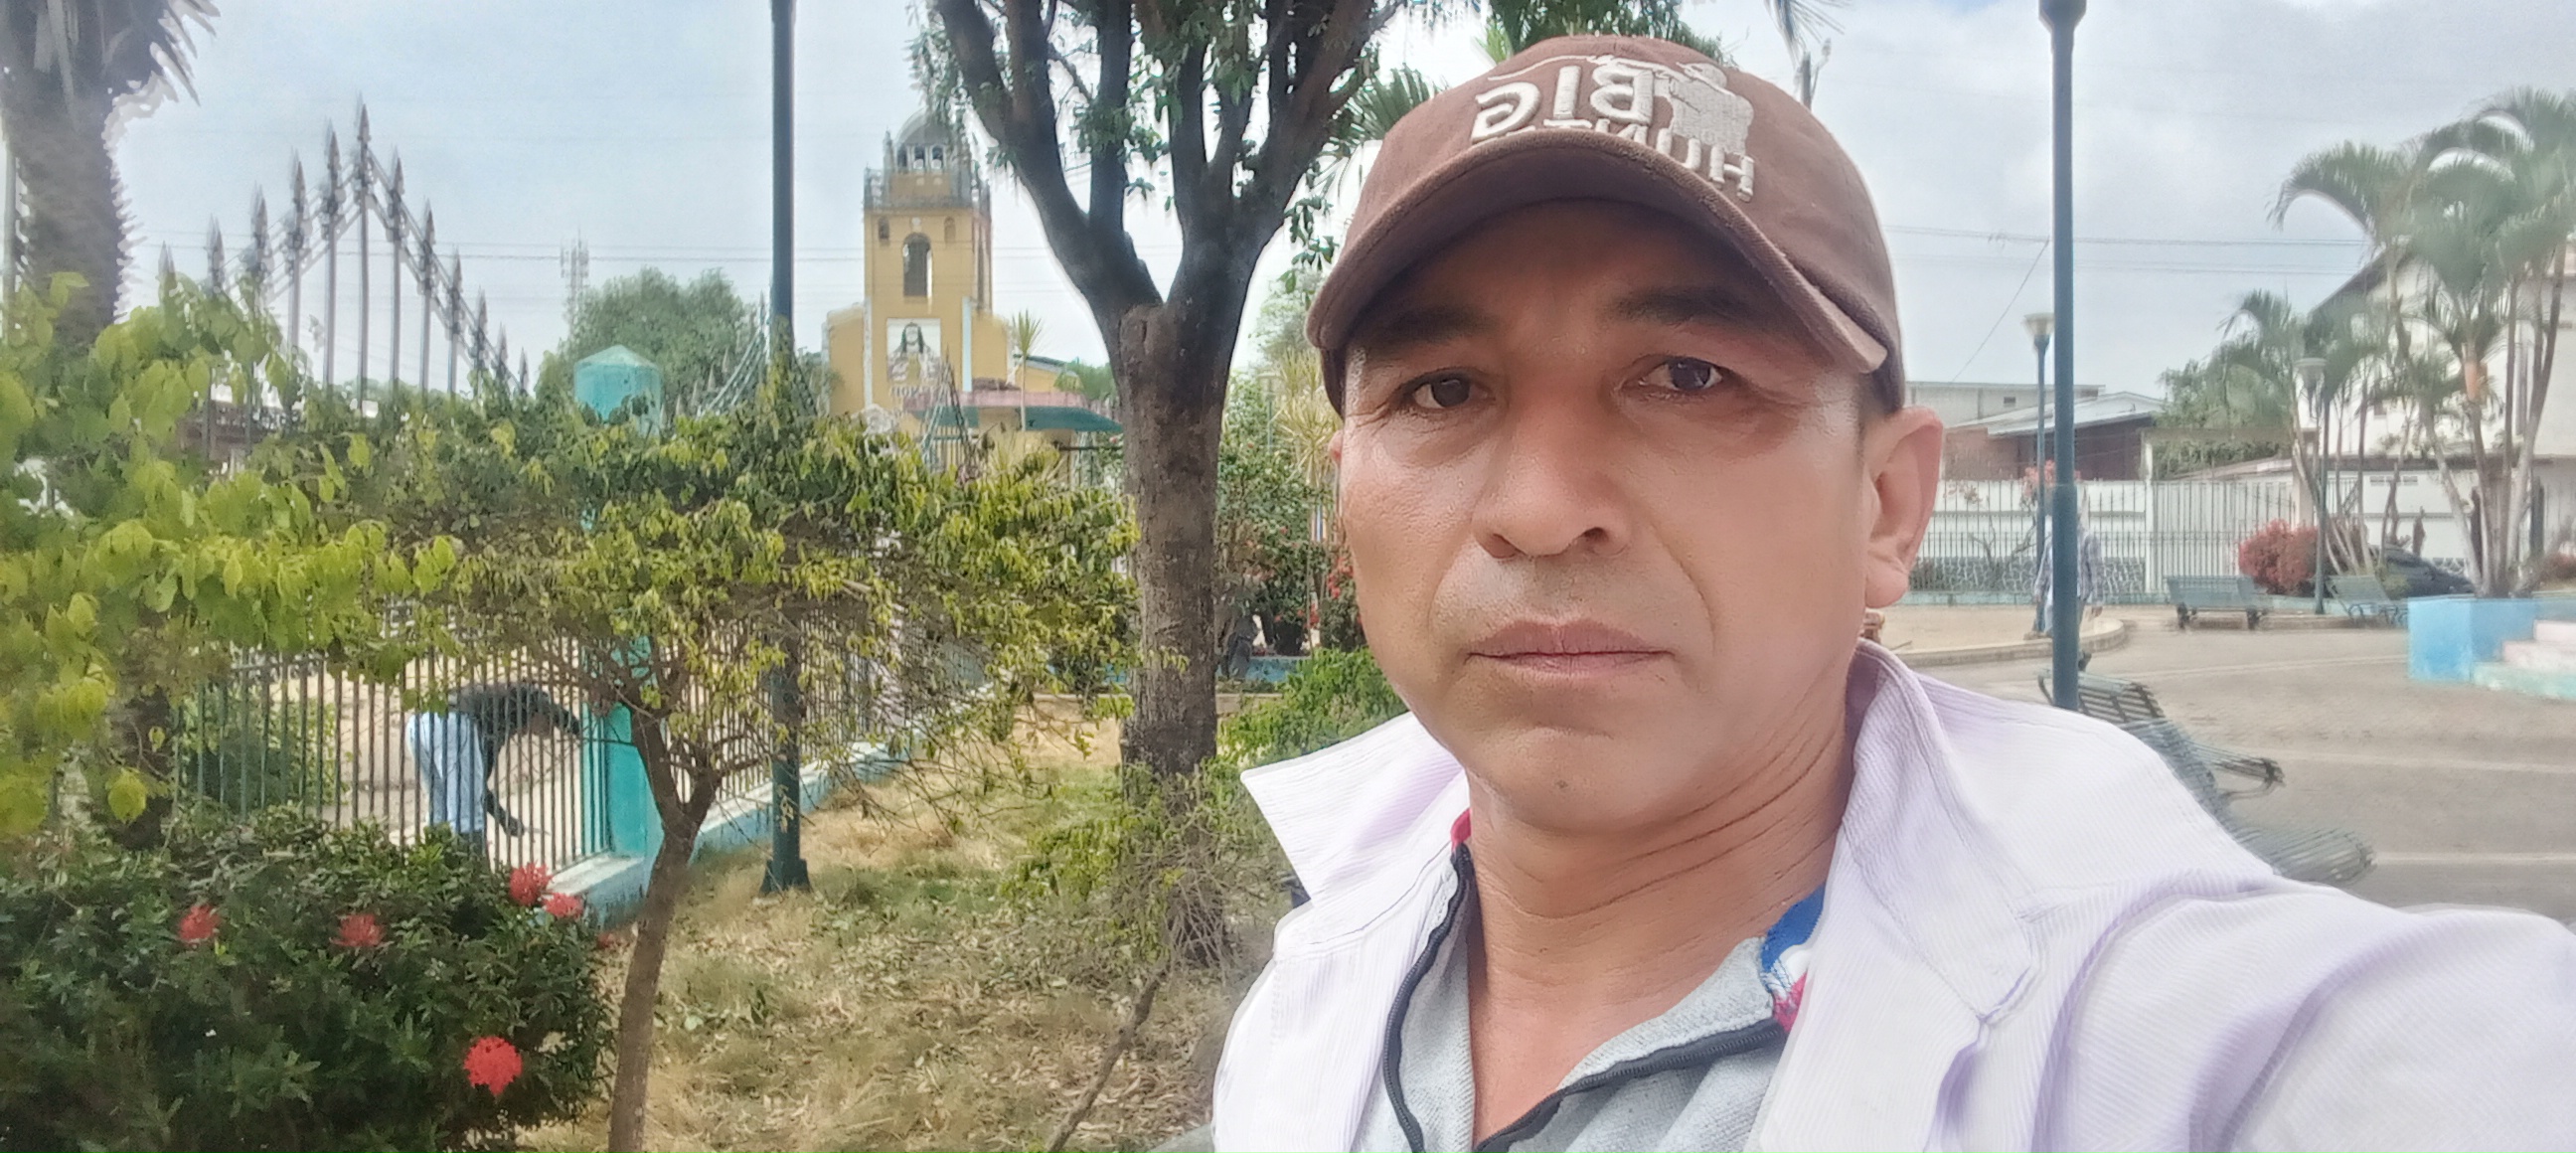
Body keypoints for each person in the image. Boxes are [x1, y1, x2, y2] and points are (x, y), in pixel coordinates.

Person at [1205, 36, 2576, 1153]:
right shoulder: (1324, 971)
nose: (1542, 505)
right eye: (1442, 390)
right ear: (1348, 498)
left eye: (1688, 376)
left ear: (1886, 507)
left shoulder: (2156, 1014)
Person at [405, 681, 581, 856]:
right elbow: (478, 788)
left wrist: (504, 819)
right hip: (452, 723)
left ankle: (436, 864)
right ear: (536, 714)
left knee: (439, 809)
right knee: (467, 816)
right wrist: (579, 730)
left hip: (418, 723)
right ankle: (475, 869)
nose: (546, 731)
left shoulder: (501, 698)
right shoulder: (506, 715)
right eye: (547, 724)